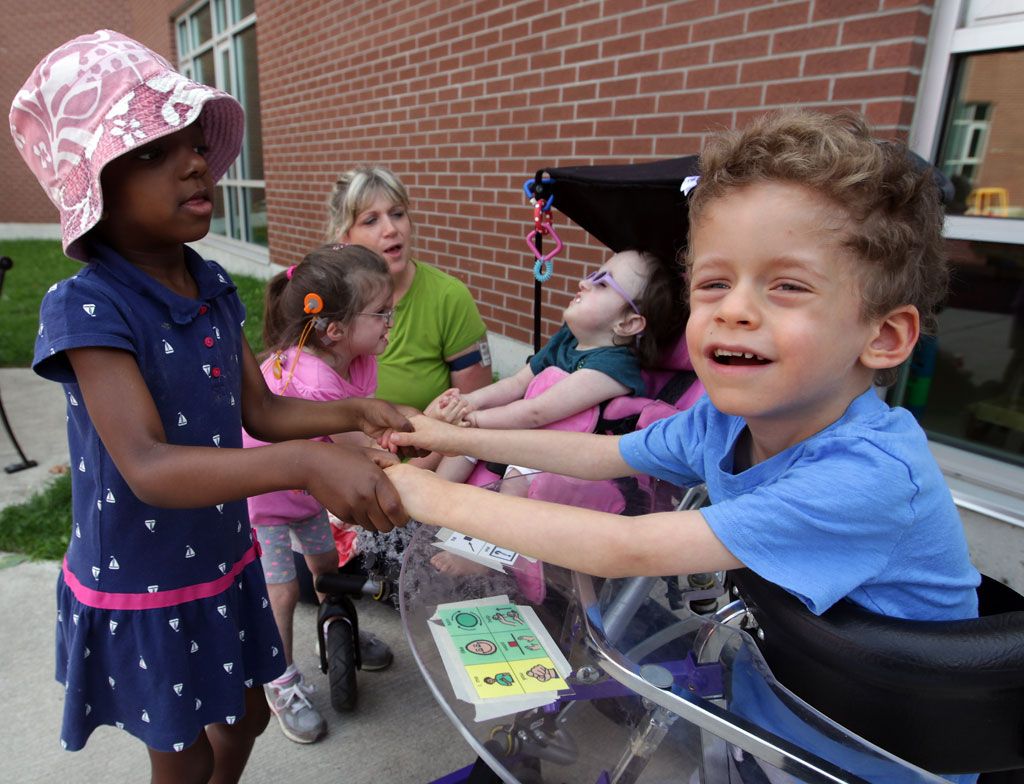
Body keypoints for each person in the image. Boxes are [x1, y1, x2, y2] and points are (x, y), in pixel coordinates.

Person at [385, 109, 981, 626]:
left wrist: (419, 490)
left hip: (864, 748)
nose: (735, 310)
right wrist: (447, 436)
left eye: (789, 286)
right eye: (714, 282)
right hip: (781, 696)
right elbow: (602, 454)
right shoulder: (725, 423)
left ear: (883, 336)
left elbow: (627, 548)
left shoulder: (868, 477)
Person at [11, 31, 412, 784]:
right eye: (155, 150)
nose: (196, 160)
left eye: (195, 142)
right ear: (92, 185)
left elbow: (259, 412)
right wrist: (306, 463)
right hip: (145, 577)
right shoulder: (89, 307)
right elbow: (148, 466)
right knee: (184, 750)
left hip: (223, 558)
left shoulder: (215, 285)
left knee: (249, 716)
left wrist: (354, 417)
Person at [423, 248, 684, 573]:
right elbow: (516, 384)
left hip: (562, 460)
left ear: (628, 323)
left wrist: (474, 422)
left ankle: (485, 556)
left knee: (516, 482)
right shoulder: (567, 340)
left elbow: (537, 411)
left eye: (602, 284)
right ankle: (430, 508)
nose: (584, 283)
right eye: (592, 275)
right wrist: (469, 403)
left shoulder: (613, 368)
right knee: (461, 450)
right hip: (528, 437)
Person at [242, 244, 397, 743]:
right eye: (381, 314)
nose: (391, 322)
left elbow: (364, 433)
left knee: (328, 567)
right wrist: (423, 461)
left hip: (306, 491)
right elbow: (363, 449)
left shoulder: (354, 359)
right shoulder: (311, 381)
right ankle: (280, 678)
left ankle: (341, 634)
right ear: (334, 329)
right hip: (264, 498)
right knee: (283, 591)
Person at [326, 165, 492, 412]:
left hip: (430, 448)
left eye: (397, 214)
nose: (391, 229)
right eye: (371, 220)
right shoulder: (328, 298)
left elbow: (471, 414)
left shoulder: (448, 297)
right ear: (345, 238)